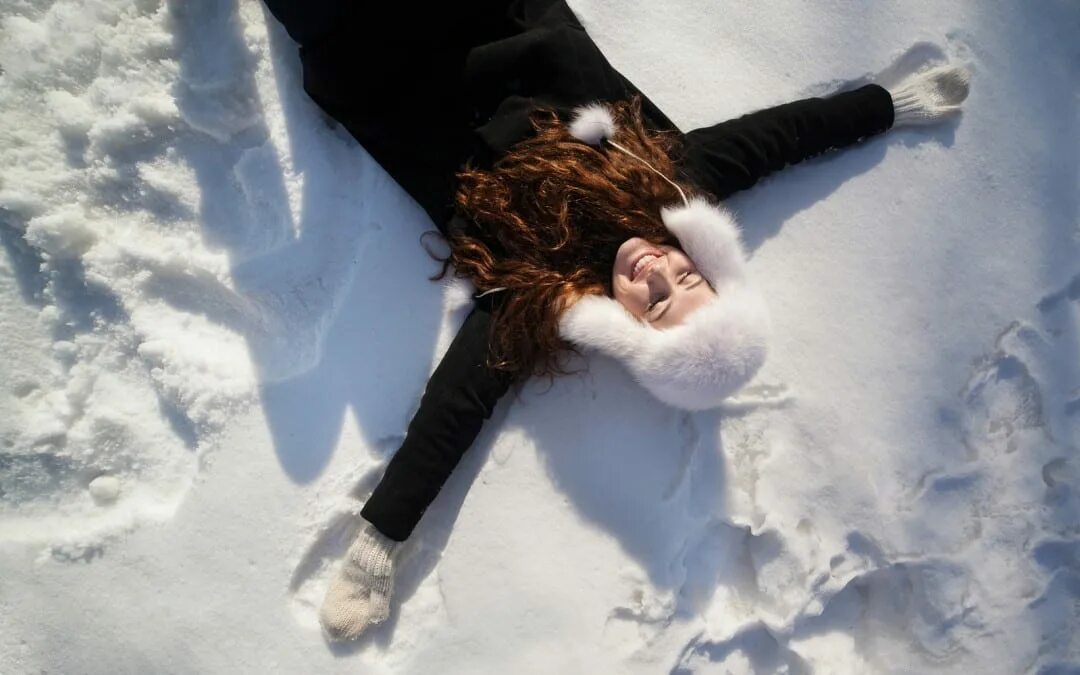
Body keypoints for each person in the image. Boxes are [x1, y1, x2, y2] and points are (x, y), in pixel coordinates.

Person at [260, 0, 971, 641]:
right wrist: (887, 105)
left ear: (628, 328)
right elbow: (779, 138)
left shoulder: (536, 295)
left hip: (362, 50)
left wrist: (382, 540)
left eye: (657, 302)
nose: (658, 271)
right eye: (688, 275)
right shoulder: (670, 179)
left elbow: (457, 407)